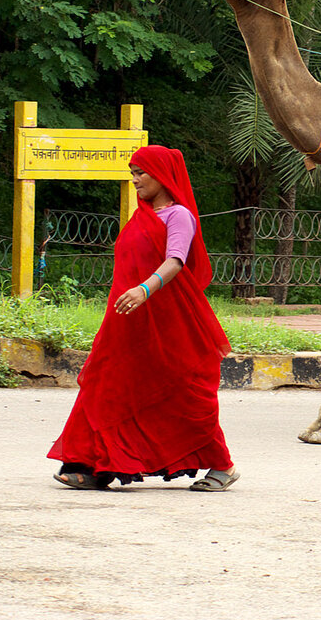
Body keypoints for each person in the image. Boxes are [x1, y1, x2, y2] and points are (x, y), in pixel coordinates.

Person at [48, 145, 239, 492]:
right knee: (109, 385)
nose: (134, 179)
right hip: (128, 321)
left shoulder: (178, 216)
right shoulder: (141, 217)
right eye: (132, 172)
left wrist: (143, 290)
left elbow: (176, 261)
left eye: (141, 173)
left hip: (167, 321)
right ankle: (93, 466)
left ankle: (222, 465)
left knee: (182, 394)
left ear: (162, 176)